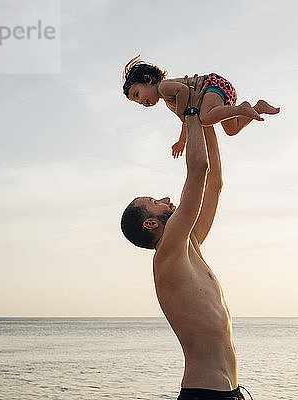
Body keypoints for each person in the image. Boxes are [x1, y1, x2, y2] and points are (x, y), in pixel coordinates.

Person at [121, 76, 250, 400]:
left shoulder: (189, 246)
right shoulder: (168, 254)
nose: (166, 199)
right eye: (156, 203)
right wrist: (192, 110)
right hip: (205, 395)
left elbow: (215, 182)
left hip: (229, 392)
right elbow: (198, 169)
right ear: (152, 224)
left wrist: (208, 121)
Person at [122, 56, 280, 158]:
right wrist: (182, 141)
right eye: (136, 102)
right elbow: (185, 119)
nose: (140, 102)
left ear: (148, 80)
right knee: (232, 130)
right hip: (220, 94)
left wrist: (180, 113)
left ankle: (241, 108)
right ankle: (258, 107)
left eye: (137, 95)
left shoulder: (163, 87)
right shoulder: (168, 100)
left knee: (205, 118)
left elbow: (182, 90)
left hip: (213, 85)